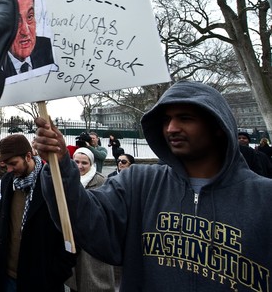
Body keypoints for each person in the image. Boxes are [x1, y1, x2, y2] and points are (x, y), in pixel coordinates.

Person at [34, 80, 272, 291]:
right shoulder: (140, 183)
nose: (171, 128)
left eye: (185, 118)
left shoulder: (264, 197)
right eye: (167, 119)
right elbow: (88, 222)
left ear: (219, 127)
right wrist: (61, 163)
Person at [0, 134, 75, 292]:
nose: (9, 169)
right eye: (6, 165)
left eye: (13, 164)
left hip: (41, 279)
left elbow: (71, 231)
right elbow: (2, 216)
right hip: (5, 276)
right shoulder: (8, 180)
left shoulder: (53, 183)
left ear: (28, 156)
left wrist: (57, 272)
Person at [68, 147, 115, 292]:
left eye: (84, 163)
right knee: (74, 280)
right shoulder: (69, 179)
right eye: (76, 162)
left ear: (91, 164)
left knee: (92, 281)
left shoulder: (101, 181)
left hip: (93, 238)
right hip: (73, 236)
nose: (80, 166)